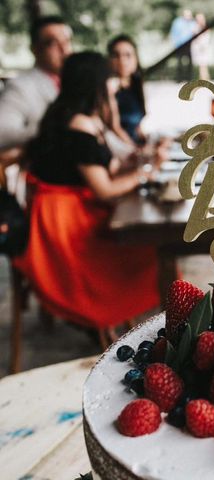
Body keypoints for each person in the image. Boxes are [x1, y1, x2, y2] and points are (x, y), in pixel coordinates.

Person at [13, 52, 164, 334]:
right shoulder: (79, 124)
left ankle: (129, 326)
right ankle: (121, 325)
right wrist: (145, 173)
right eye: (110, 79)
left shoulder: (76, 116)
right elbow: (105, 189)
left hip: (67, 211)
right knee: (149, 247)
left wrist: (139, 161)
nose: (116, 85)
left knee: (146, 240)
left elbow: (107, 166)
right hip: (64, 224)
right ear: (94, 84)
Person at [0, 16, 72, 150]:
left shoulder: (74, 82)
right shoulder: (20, 87)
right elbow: (2, 133)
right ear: (34, 49)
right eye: (53, 43)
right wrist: (54, 128)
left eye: (67, 41)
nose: (64, 50)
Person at [107, 34, 147, 145]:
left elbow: (137, 126)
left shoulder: (137, 84)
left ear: (136, 59)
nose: (122, 60)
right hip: (119, 146)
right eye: (116, 55)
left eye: (128, 55)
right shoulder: (109, 87)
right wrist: (135, 150)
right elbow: (114, 128)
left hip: (134, 144)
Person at [170, 9, 196, 82]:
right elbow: (173, 33)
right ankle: (179, 78)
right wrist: (175, 43)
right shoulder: (177, 22)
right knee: (179, 62)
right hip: (180, 44)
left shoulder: (192, 23)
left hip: (189, 45)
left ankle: (189, 78)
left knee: (190, 63)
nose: (189, 17)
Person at [191, 13, 211, 81]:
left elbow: (207, 37)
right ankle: (204, 78)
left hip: (204, 47)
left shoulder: (205, 27)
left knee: (204, 64)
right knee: (202, 64)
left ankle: (204, 78)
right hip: (198, 47)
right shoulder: (195, 27)